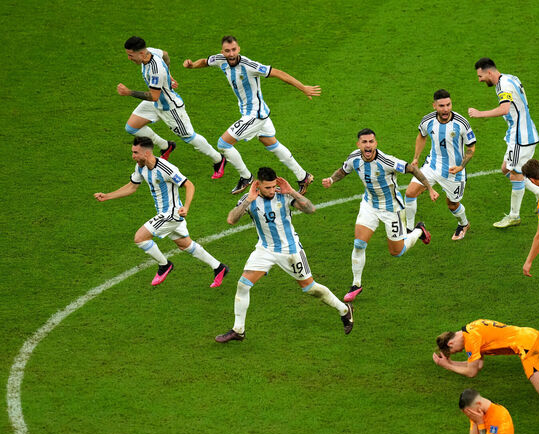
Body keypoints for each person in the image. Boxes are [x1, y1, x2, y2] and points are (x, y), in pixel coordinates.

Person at [215, 167, 353, 342]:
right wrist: (248, 200)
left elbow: (311, 209)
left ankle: (344, 310)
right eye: (268, 188)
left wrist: (293, 192)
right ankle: (238, 330)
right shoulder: (249, 198)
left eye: (274, 187)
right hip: (265, 249)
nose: (272, 191)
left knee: (310, 289)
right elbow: (231, 220)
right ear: (258, 185)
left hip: (290, 250)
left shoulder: (284, 195)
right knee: (243, 285)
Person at [183, 35, 319, 195]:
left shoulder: (249, 65)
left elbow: (278, 73)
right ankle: (303, 176)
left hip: (255, 115)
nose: (231, 54)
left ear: (238, 49)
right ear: (223, 52)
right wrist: (192, 65)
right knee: (271, 143)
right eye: (227, 51)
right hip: (257, 112)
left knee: (223, 144)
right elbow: (205, 62)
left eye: (234, 50)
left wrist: (302, 87)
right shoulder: (220, 59)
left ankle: (246, 177)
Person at [94, 137, 228, 287]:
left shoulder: (166, 168)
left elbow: (189, 185)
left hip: (172, 213)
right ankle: (219, 267)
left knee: (140, 238)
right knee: (184, 244)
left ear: (146, 153)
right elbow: (132, 186)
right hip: (164, 213)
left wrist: (187, 207)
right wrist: (107, 196)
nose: (133, 156)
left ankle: (164, 265)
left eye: (135, 152)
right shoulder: (140, 167)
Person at [322, 128, 439, 302]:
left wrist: (429, 188)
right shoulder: (354, 157)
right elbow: (343, 170)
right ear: (358, 144)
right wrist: (331, 179)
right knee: (359, 243)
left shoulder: (387, 161)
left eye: (371, 142)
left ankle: (419, 230)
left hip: (391, 209)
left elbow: (412, 169)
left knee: (397, 252)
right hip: (369, 205)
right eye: (364, 142)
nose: (368, 145)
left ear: (376, 143)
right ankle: (356, 284)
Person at [118, 36, 226, 179]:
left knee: (189, 137)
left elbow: (154, 96)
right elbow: (166, 54)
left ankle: (219, 159)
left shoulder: (155, 70)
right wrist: (169, 75)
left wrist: (129, 92)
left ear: (141, 54)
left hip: (169, 107)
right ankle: (166, 146)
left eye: (131, 55)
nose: (129, 58)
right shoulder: (150, 51)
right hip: (155, 103)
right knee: (132, 127)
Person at [468, 58, 539, 228]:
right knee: (506, 169)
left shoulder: (503, 86)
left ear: (489, 72)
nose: (479, 80)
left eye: (480, 76)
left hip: (520, 138)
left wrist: (480, 114)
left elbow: (504, 109)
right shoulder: (510, 78)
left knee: (515, 173)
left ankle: (514, 216)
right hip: (520, 134)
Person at [407, 89, 477, 240]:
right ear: (434, 106)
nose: (445, 109)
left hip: (454, 171)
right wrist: (416, 158)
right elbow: (421, 136)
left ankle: (464, 224)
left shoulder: (461, 123)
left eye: (448, 105)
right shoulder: (427, 120)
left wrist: (461, 167)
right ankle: (409, 230)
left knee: (452, 204)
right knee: (410, 193)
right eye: (441, 106)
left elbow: (471, 147)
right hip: (432, 165)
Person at [432, 319, 539, 394]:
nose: (459, 351)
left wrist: (448, 366)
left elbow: (472, 372)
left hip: (527, 345)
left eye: (454, 351)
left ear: (450, 343)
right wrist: (450, 363)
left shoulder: (471, 340)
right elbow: (478, 364)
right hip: (532, 335)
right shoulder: (472, 327)